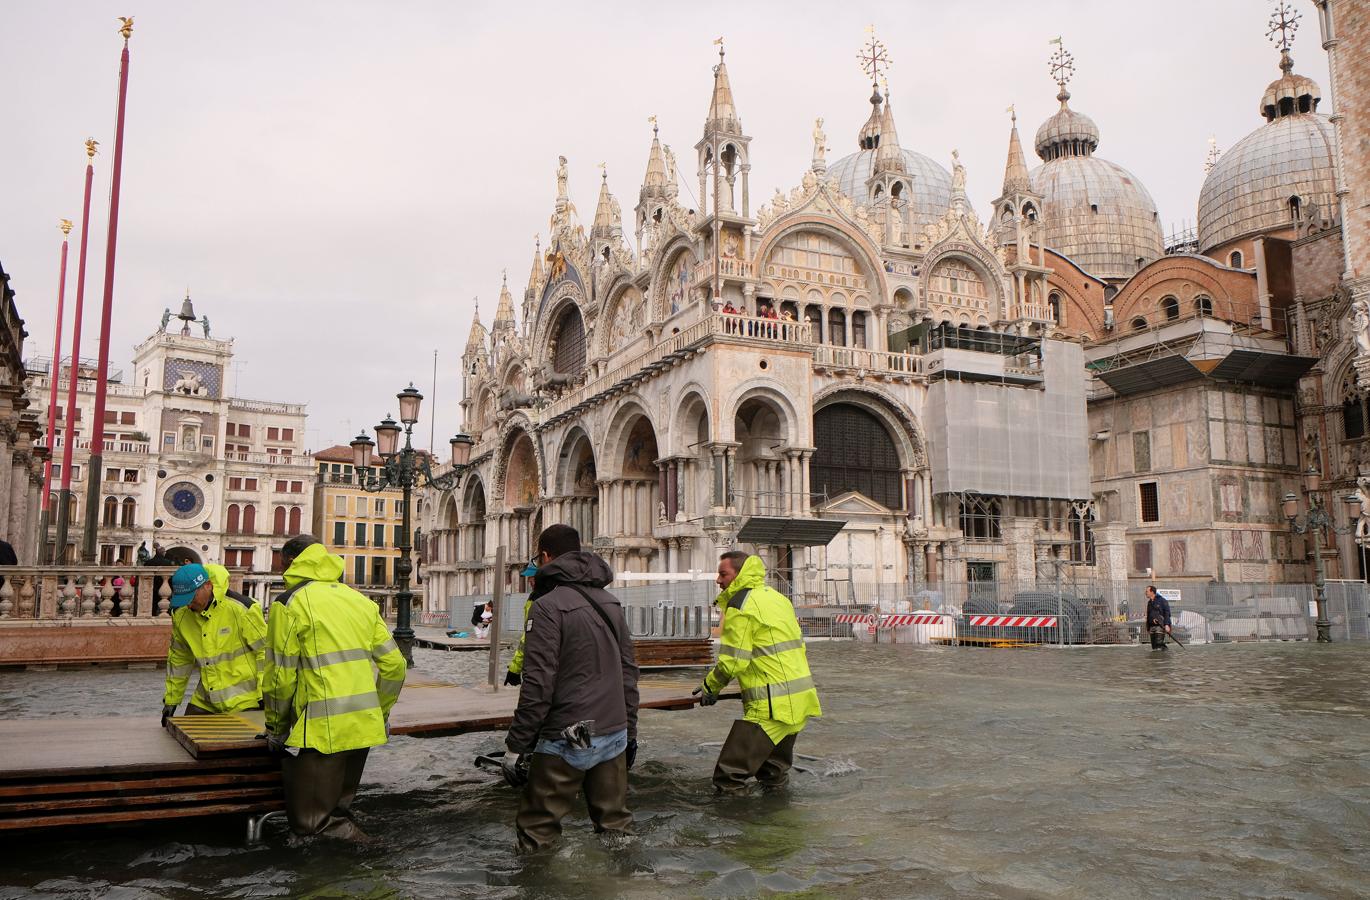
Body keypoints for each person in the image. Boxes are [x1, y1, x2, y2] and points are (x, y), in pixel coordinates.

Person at [261, 535, 407, 840]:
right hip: (362, 725)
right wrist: (379, 712)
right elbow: (395, 666)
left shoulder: (289, 603)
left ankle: (376, 855)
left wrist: (276, 727)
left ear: (289, 563)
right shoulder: (360, 601)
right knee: (338, 811)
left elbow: (279, 678)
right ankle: (358, 874)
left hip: (320, 730)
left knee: (312, 824)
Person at [503, 524, 639, 851]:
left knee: (538, 829)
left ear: (546, 557)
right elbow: (628, 673)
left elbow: (538, 686)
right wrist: (630, 730)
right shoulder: (610, 602)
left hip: (569, 735)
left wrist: (516, 747)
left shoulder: (547, 606)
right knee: (615, 828)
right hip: (613, 730)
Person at [695, 551, 821, 793]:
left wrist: (710, 687)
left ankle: (741, 829)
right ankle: (779, 824)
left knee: (728, 777)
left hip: (770, 708)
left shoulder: (741, 607)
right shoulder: (776, 598)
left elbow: (733, 663)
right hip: (798, 701)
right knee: (772, 774)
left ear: (739, 575)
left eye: (723, 574)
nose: (718, 580)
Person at [161, 563, 267, 724]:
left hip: (247, 700)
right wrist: (171, 700)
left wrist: (265, 696)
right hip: (206, 699)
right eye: (183, 599)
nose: (188, 604)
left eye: (191, 597)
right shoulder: (181, 614)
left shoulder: (242, 609)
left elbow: (265, 652)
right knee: (181, 739)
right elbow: (179, 660)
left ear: (208, 586)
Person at [504, 556, 546, 686]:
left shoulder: (535, 599)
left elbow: (528, 637)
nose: (529, 582)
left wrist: (515, 668)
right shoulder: (560, 592)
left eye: (532, 578)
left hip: (538, 665)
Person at [1145, 584, 1172, 651]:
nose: (1146, 593)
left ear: (1152, 592)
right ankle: (1156, 660)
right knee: (1154, 647)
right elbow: (1148, 615)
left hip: (1159, 626)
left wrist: (1167, 625)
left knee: (1159, 644)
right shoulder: (1149, 602)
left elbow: (1167, 613)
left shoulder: (1162, 600)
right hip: (1152, 627)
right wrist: (1148, 627)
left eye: (1147, 591)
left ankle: (1166, 656)